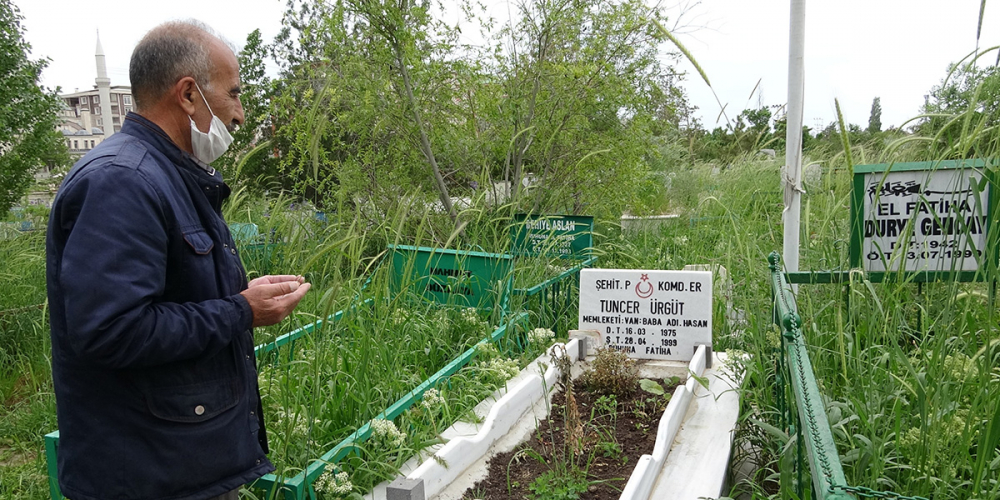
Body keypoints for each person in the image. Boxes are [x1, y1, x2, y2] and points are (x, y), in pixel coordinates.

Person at [46, 20, 310, 500]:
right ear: (189, 94)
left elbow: (170, 294)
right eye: (233, 94)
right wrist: (243, 311)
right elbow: (111, 331)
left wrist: (242, 298)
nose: (241, 115)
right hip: (150, 477)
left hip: (176, 463)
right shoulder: (124, 182)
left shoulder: (171, 176)